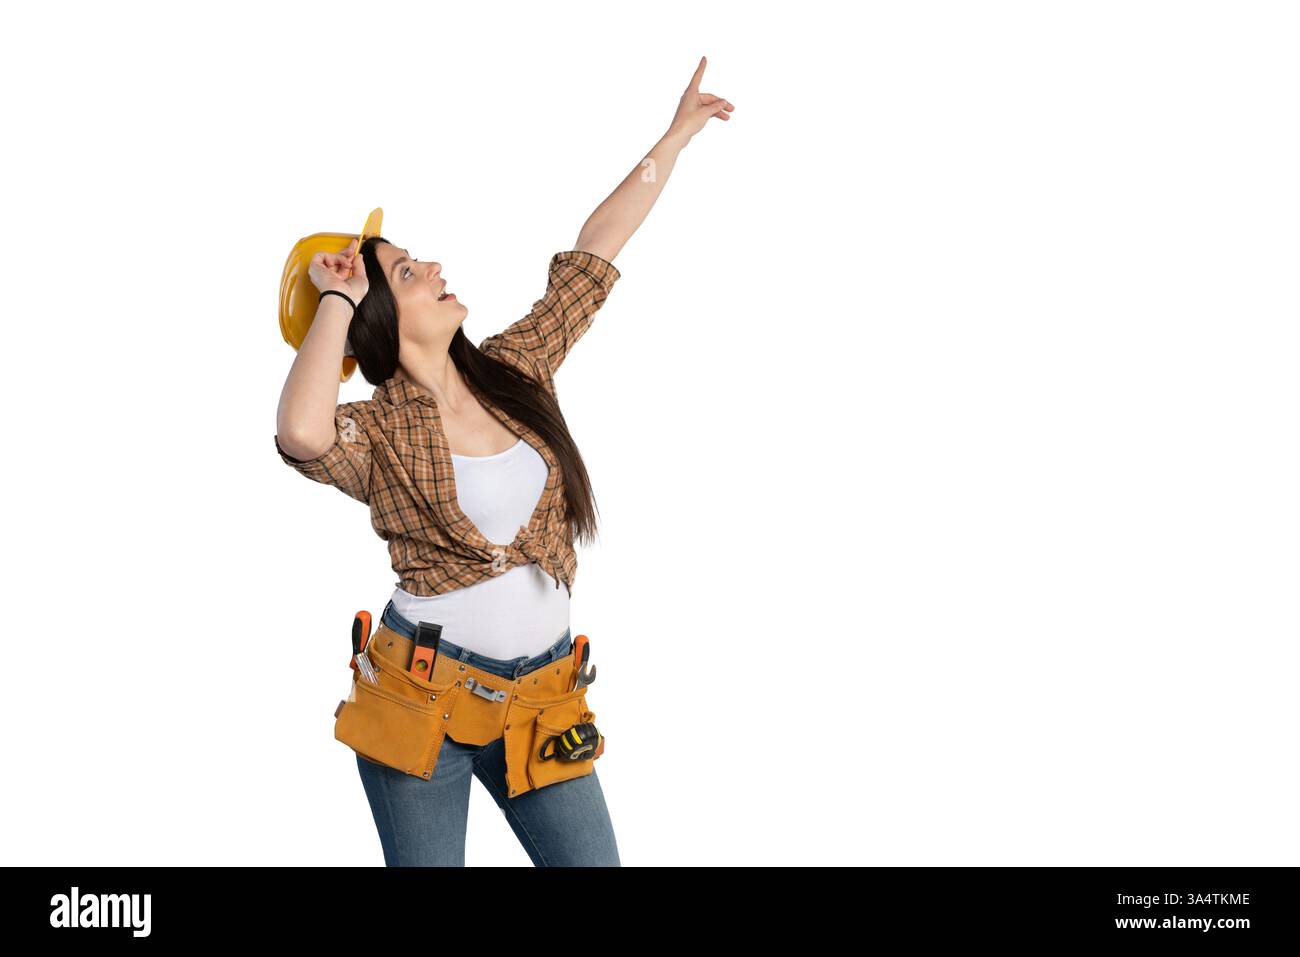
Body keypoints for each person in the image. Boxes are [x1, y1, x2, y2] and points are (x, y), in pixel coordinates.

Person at [274, 57, 734, 867]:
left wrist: (677, 135)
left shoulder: (513, 367)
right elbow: (302, 434)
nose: (437, 268)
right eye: (409, 273)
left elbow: (592, 256)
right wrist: (339, 298)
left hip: (544, 699)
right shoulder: (375, 433)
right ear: (380, 318)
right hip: (419, 701)